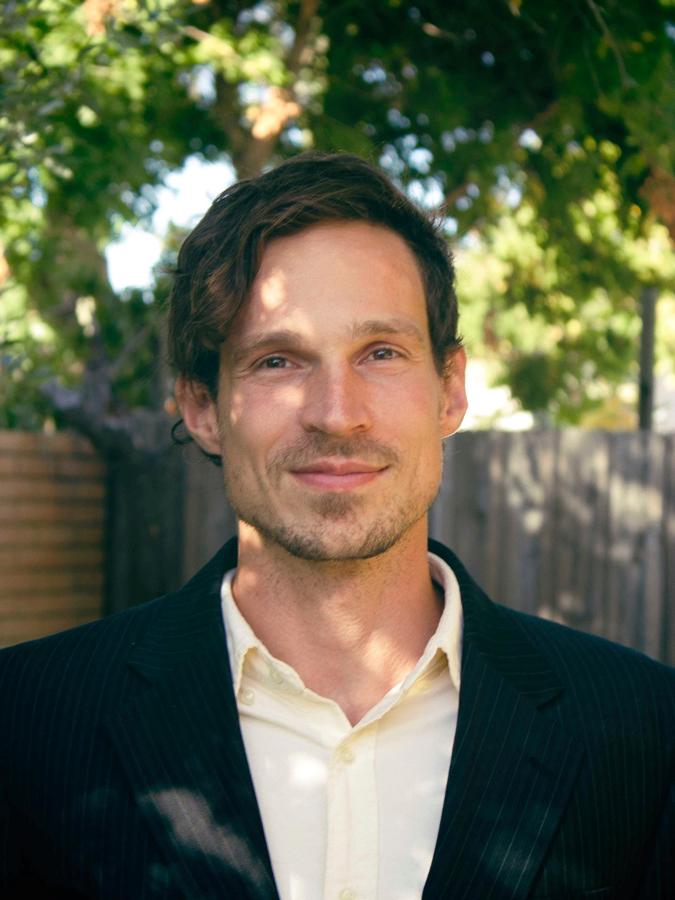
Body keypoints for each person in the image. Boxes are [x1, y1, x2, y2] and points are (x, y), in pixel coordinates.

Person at [0, 153, 673, 900]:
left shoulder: (643, 732)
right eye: (278, 360)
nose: (335, 412)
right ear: (200, 406)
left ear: (449, 390)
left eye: (380, 353)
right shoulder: (24, 725)